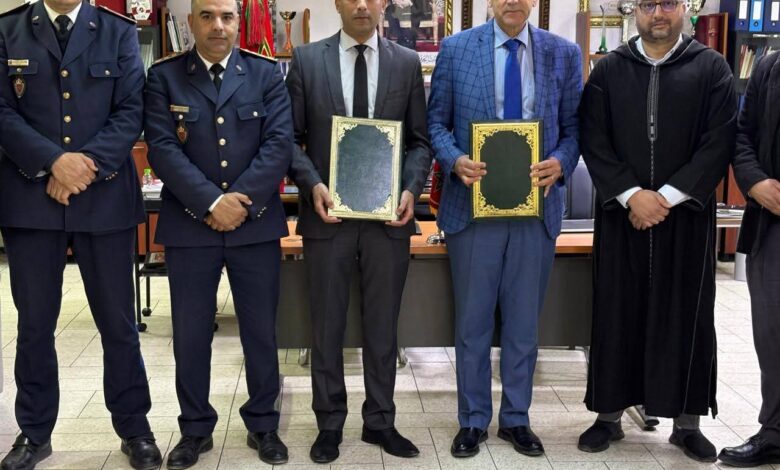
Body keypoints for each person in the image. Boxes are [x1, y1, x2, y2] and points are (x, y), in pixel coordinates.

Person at [0, 1, 162, 469]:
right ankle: (34, 433)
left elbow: (131, 109)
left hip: (104, 196)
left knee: (119, 323)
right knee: (34, 326)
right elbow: (2, 110)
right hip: (31, 199)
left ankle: (135, 428)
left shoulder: (118, 30)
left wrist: (81, 167)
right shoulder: (8, 30)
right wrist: (53, 161)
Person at [577, 0, 736, 462]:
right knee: (616, 312)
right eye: (649, 5)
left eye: (667, 3)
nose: (658, 14)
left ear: (684, 8)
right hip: (621, 216)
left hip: (685, 217)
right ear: (636, 11)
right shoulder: (610, 70)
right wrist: (631, 195)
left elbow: (719, 140)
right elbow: (593, 137)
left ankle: (687, 424)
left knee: (686, 314)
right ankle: (608, 416)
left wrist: (664, 197)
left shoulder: (711, 68)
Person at [426, 0, 582, 458]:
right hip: (472, 211)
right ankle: (473, 420)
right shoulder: (456, 49)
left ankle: (516, 418)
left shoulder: (563, 53)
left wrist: (562, 162)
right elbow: (435, 122)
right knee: (472, 324)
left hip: (535, 211)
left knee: (523, 325)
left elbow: (575, 128)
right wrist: (454, 159)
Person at [143, 0, 292, 465]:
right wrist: (211, 202)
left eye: (227, 16)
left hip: (254, 225)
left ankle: (264, 424)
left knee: (260, 332)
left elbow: (278, 144)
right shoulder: (165, 77)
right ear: (191, 22)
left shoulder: (265, 74)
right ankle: (195, 429)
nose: (218, 26)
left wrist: (237, 204)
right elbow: (162, 148)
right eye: (207, 16)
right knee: (190, 334)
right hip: (191, 227)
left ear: (238, 22)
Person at [285, 0, 431, 463]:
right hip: (327, 217)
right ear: (338, 3)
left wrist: (410, 188)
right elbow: (288, 139)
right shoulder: (307, 60)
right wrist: (312, 184)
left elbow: (420, 141)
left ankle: (380, 421)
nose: (362, 5)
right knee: (326, 325)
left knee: (383, 326)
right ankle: (329, 423)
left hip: (389, 221)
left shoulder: (406, 63)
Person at [718, 51, 780, 467]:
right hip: (771, 220)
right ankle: (774, 432)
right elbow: (743, 135)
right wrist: (754, 183)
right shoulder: (769, 66)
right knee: (772, 334)